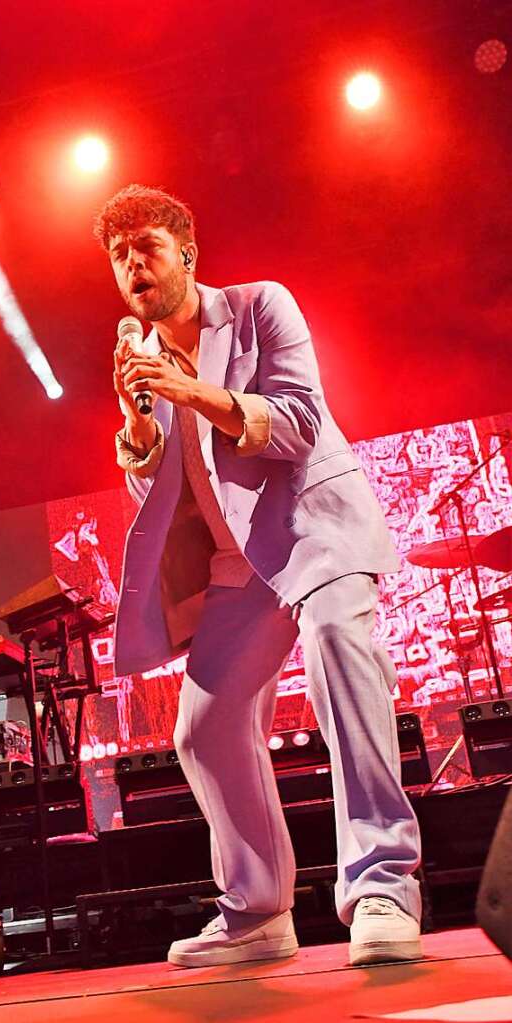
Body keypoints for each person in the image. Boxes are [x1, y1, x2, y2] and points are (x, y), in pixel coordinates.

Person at [95, 184, 422, 968]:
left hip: (314, 533)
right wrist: (140, 424)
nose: (132, 263)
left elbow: (300, 423)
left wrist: (187, 392)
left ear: (186, 254)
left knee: (338, 639)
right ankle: (256, 912)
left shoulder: (257, 307)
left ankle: (382, 883)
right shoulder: (146, 361)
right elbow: (166, 495)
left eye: (146, 245)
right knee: (201, 729)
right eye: (117, 255)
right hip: (241, 571)